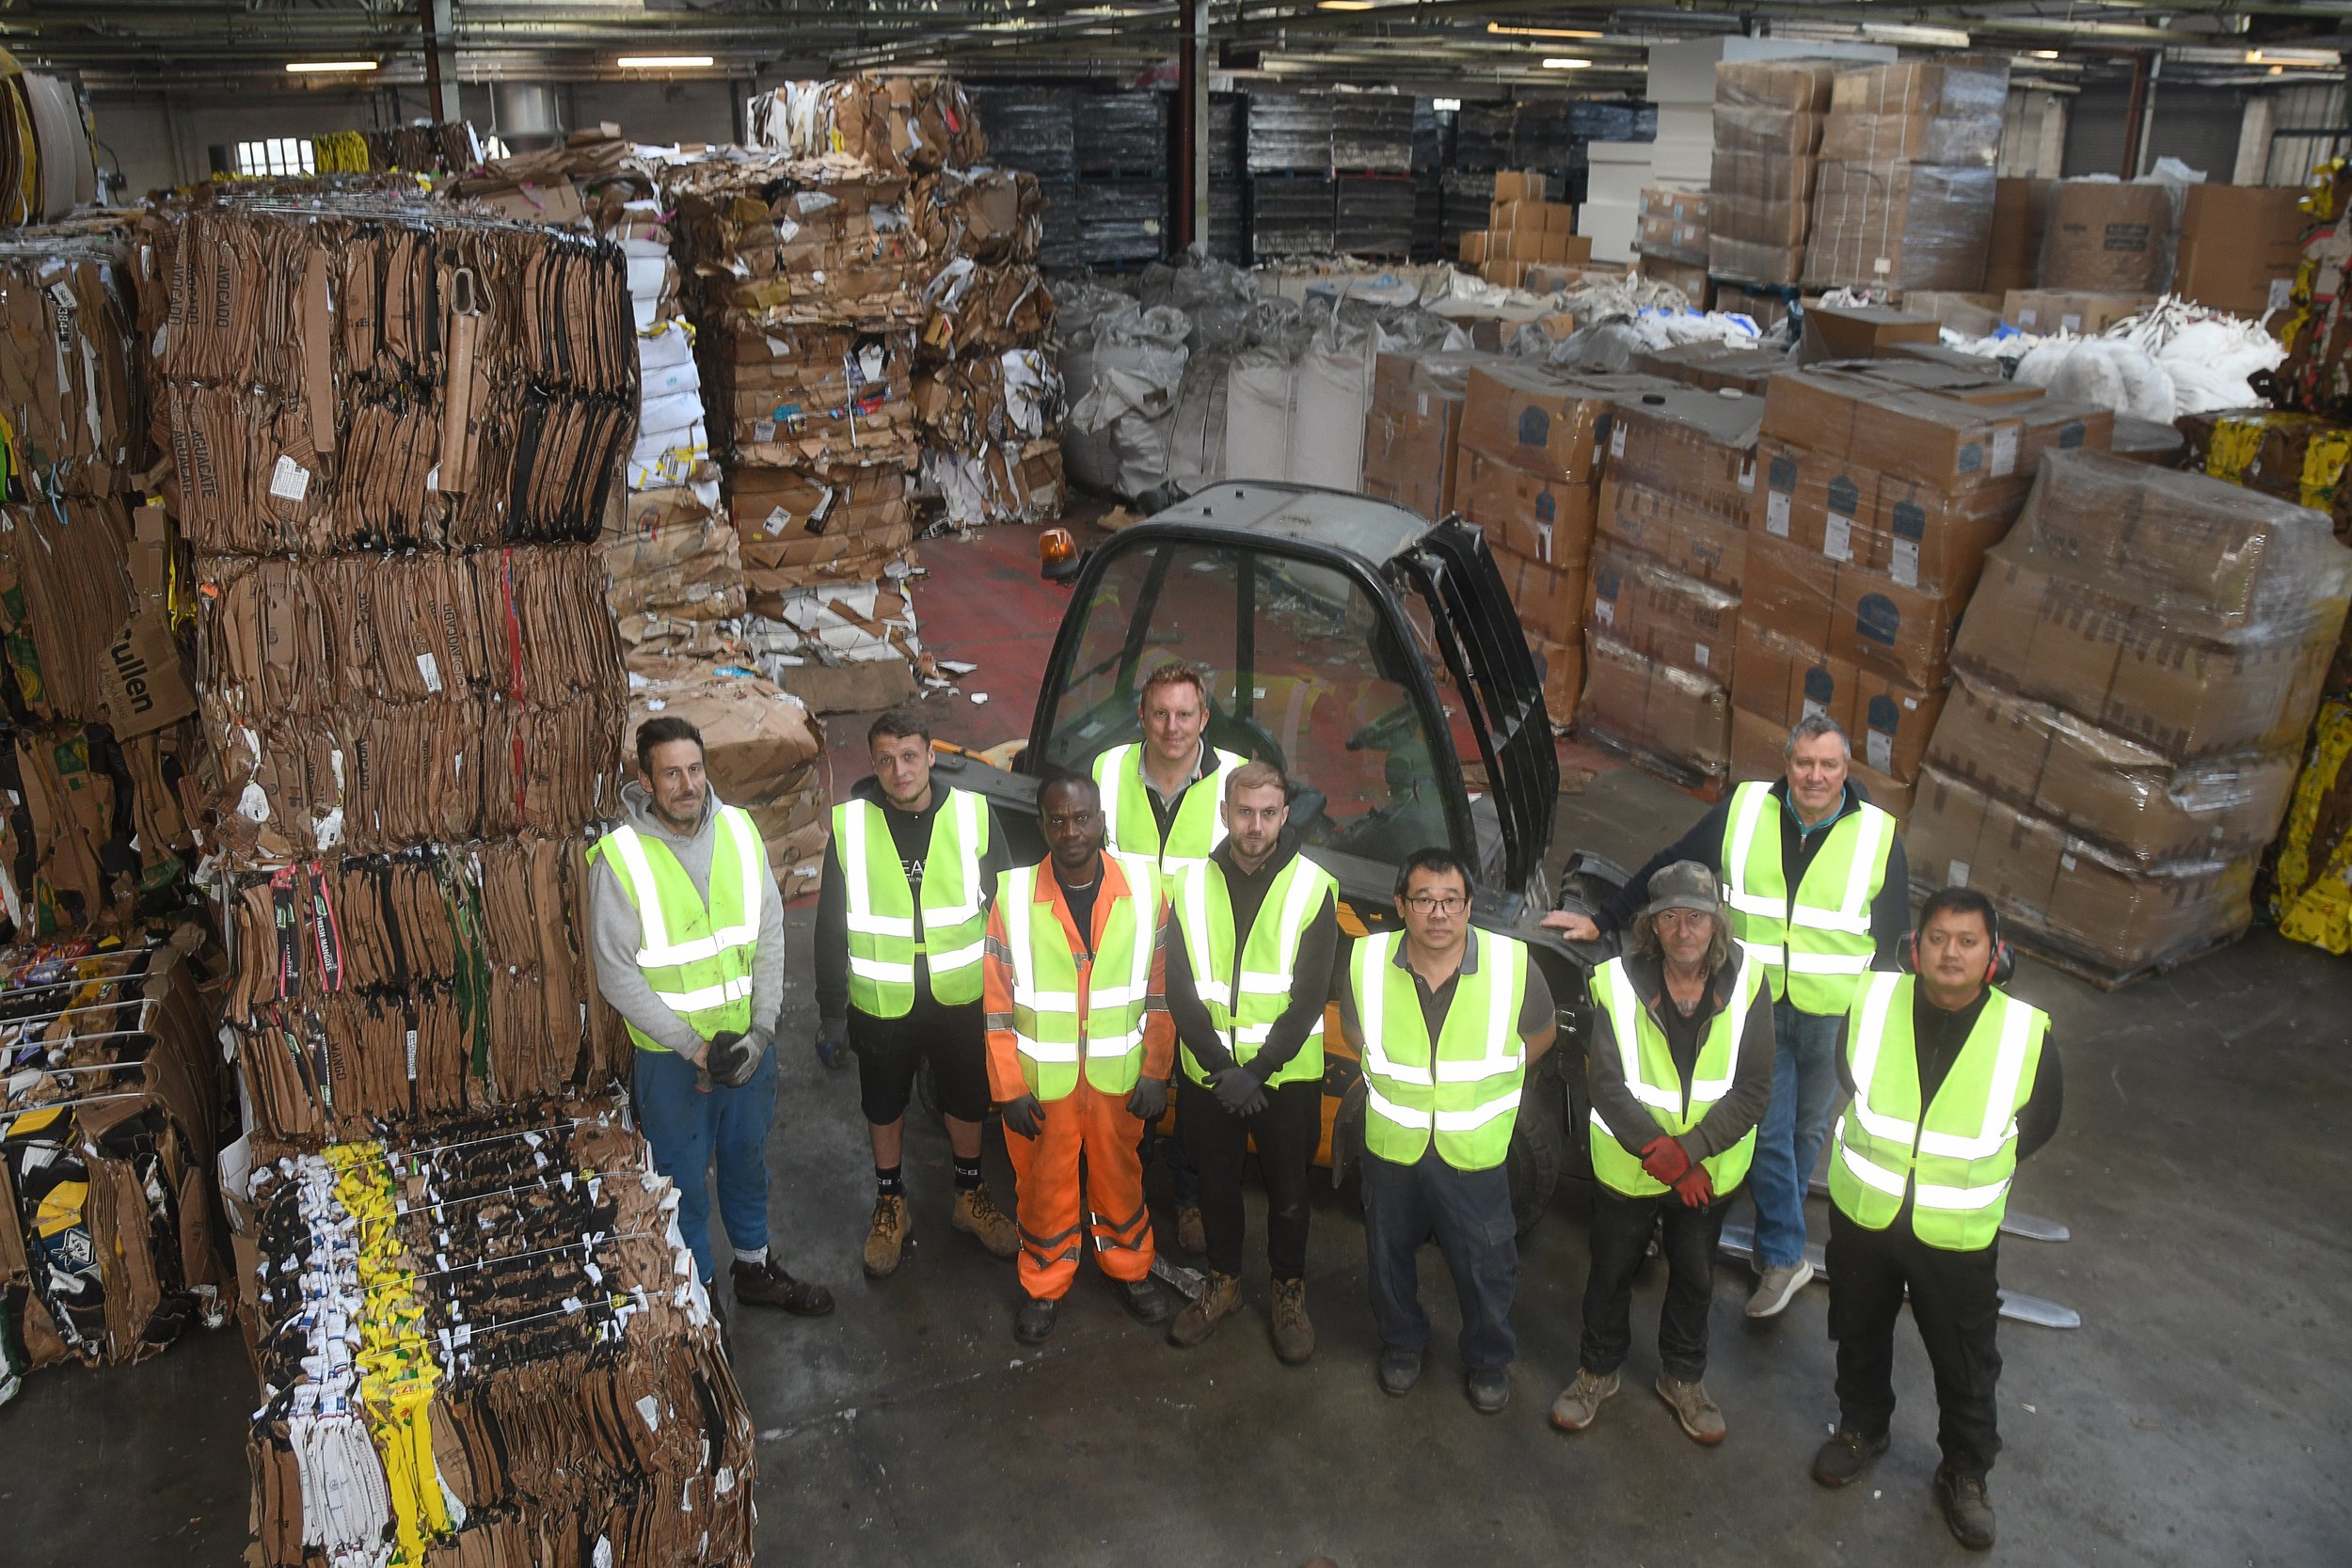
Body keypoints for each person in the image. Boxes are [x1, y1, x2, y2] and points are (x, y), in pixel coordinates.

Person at [1545, 712, 1909, 1320]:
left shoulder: (1877, 835)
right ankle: (1785, 1253)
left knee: (1803, 1133)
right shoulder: (1742, 811)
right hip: (1751, 1004)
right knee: (1768, 1128)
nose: (1814, 776)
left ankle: (1779, 1231)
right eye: (1803, 763)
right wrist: (1604, 920)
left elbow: (1895, 938)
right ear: (1785, 763)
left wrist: (1888, 1022)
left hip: (1833, 1014)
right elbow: (1671, 863)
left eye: (1828, 765)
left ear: (1847, 770)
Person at [1812, 887, 2062, 1553]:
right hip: (1865, 1210)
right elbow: (1851, 1076)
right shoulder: (1872, 1002)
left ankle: (1966, 1471)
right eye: (1939, 938)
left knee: (1965, 1360)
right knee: (1858, 1329)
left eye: (1968, 940)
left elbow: (2038, 1119)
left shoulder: (2022, 1032)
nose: (1951, 952)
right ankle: (1862, 1426)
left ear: (1994, 955)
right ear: (1915, 948)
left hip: (1954, 1232)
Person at [589, 716, 834, 1323]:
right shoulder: (620, 860)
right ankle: (699, 1299)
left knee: (748, 1159)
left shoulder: (741, 831)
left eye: (695, 769)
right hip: (673, 1063)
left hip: (751, 1046)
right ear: (645, 780)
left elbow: (770, 932)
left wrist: (763, 1030)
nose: (687, 783)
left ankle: (753, 1266)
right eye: (670, 772)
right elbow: (617, 974)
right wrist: (695, 1047)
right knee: (682, 1186)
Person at [1550, 863, 1772, 1445]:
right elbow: (1604, 1081)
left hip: (1708, 1172)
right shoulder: (1618, 982)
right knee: (1611, 1271)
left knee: (1696, 1277)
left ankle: (1684, 1378)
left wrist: (1690, 1153)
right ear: (1650, 925)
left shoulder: (1749, 982)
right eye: (1668, 916)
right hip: (1630, 1168)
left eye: (1695, 916)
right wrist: (1659, 1151)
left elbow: (1753, 1087)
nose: (1683, 929)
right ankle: (1597, 1371)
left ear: (1717, 922)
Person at [1342, 847, 1555, 1414]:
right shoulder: (1366, 960)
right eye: (1424, 900)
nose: (1439, 913)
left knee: (1486, 1263)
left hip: (1473, 1152)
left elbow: (1540, 1035)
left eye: (1451, 900)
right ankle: (1402, 1343)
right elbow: (1354, 1030)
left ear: (1468, 906)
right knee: (1387, 1256)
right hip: (1392, 1146)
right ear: (1400, 906)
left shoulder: (1513, 965)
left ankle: (1488, 1358)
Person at [814, 708, 1022, 1277]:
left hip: (961, 997)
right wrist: (831, 1013)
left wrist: (1011, 997)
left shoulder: (974, 814)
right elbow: (830, 926)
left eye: (910, 756)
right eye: (885, 759)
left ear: (931, 755)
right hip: (881, 1001)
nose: (899, 770)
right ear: (873, 763)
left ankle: (968, 1197)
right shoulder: (852, 827)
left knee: (966, 1100)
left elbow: (1006, 915)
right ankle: (891, 1202)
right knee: (883, 1103)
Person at [982, 772, 1180, 1343]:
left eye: (1082, 818)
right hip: (1045, 1087)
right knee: (1044, 1186)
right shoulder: (1014, 897)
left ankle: (1129, 1269)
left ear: (1100, 821)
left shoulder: (1147, 888)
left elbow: (1162, 992)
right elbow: (996, 1007)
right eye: (1058, 820)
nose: (1071, 832)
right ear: (1042, 825)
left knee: (1122, 1177)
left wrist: (1156, 1072)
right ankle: (1044, 1282)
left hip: (1121, 1079)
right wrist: (1009, 1088)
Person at [1161, 760, 1339, 1361]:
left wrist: (1255, 1072)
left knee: (1290, 1192)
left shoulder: (1314, 887)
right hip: (1210, 1073)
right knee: (1216, 1186)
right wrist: (1220, 1068)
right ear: (1225, 814)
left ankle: (1288, 1290)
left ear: (1285, 815)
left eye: (1268, 813)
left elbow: (1310, 997)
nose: (1255, 825)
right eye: (1244, 812)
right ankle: (1224, 1281)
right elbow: (1180, 987)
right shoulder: (1187, 884)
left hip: (1283, 1079)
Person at [1091, 659, 1246, 1258]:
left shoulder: (1234, 778)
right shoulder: (1107, 771)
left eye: (1185, 714)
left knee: (1197, 1089)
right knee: (1129, 1078)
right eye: (1160, 713)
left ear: (1204, 717)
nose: (1172, 727)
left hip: (1202, 962)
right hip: (1124, 960)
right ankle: (1124, 1193)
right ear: (1142, 717)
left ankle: (1186, 1197)